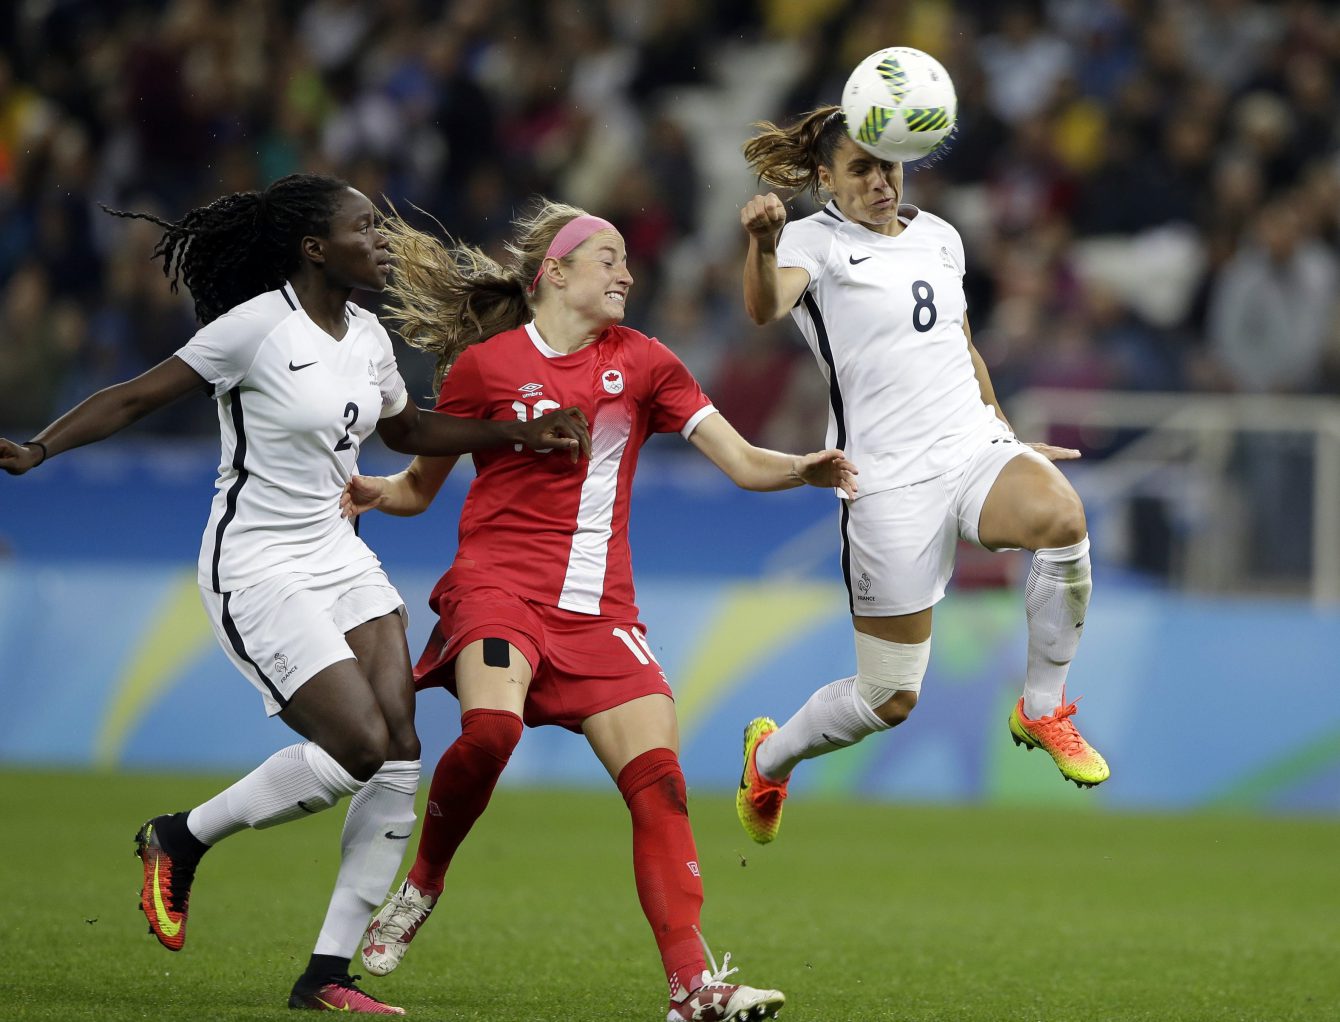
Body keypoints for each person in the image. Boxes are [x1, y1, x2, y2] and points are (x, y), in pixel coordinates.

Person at [0, 173, 589, 1014]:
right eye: (363, 229)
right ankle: (180, 838)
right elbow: (137, 394)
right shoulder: (255, 329)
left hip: (338, 555)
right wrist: (38, 449)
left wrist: (517, 435)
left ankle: (325, 978)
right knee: (356, 746)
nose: (380, 241)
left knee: (399, 753)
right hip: (257, 565)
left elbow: (407, 432)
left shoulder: (367, 337)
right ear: (316, 248)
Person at [338, 201, 856, 1021]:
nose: (627, 274)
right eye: (609, 258)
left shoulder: (647, 363)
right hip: (498, 589)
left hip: (601, 612)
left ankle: (693, 990)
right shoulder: (486, 368)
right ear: (556, 272)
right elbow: (420, 486)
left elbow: (746, 463)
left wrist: (805, 468)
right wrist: (373, 491)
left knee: (662, 784)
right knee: (493, 731)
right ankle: (424, 881)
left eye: (626, 261)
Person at [733, 105, 1109, 846]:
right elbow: (763, 306)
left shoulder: (940, 236)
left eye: (889, 165)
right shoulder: (813, 239)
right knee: (889, 696)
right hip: (886, 481)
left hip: (968, 447)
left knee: (1063, 519)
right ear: (825, 180)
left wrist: (1003, 432)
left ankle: (1040, 706)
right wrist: (762, 242)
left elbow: (961, 346)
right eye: (861, 169)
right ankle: (769, 758)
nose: (880, 181)